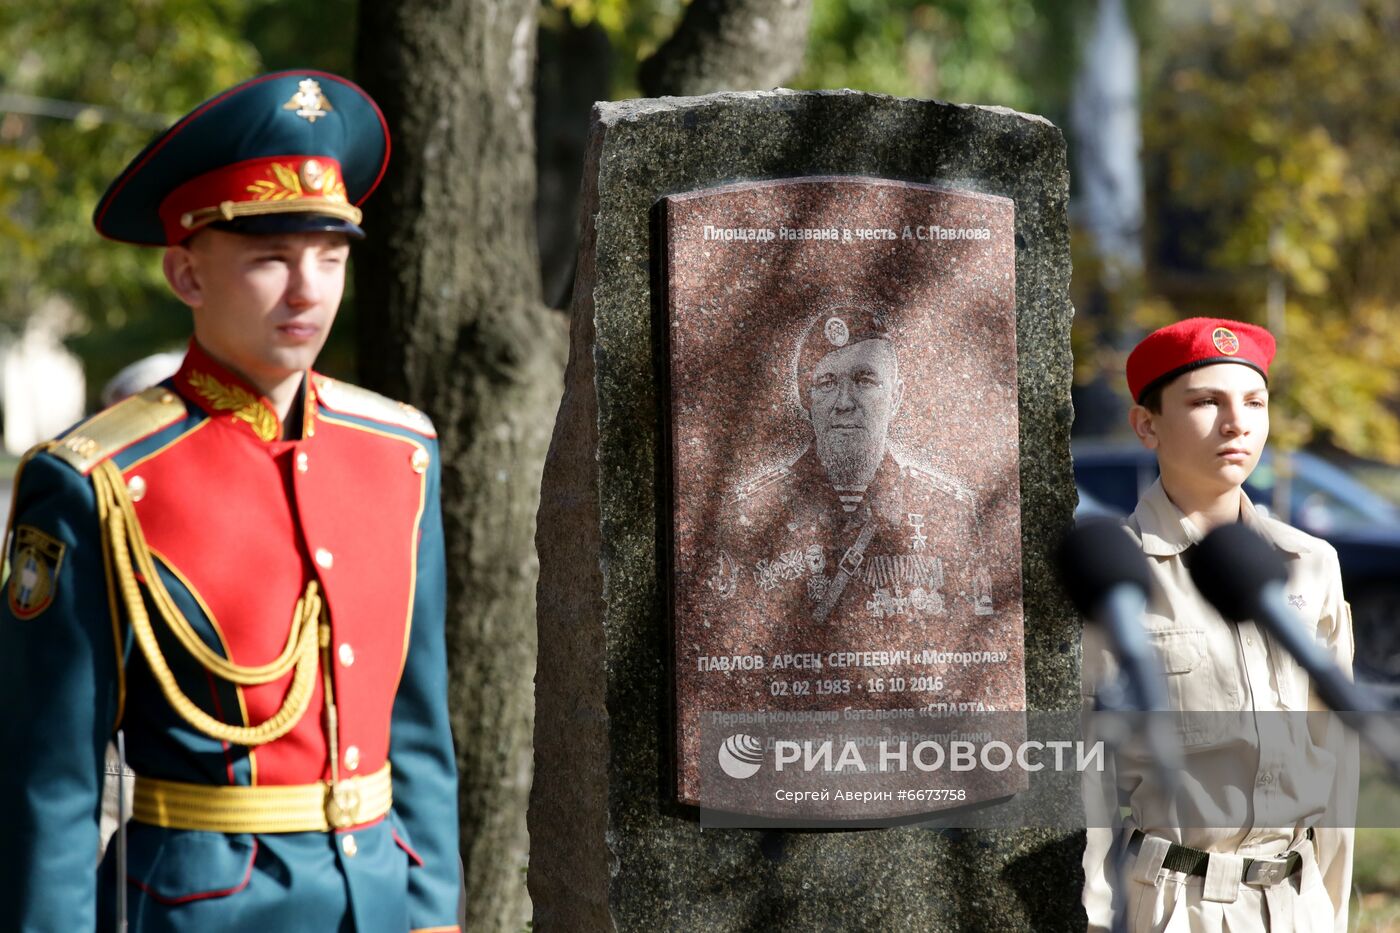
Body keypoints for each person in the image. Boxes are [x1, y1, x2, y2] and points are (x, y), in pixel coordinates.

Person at [0, 70, 461, 932]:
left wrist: (436, 915)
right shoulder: (94, 480)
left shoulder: (399, 452)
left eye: (330, 258)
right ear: (186, 274)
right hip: (201, 909)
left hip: (383, 906)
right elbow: (49, 781)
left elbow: (420, 735)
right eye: (269, 259)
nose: (307, 291)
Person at [1081, 317, 1356, 932]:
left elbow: (1337, 760)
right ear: (1147, 425)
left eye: (1254, 402)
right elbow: (1088, 775)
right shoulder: (1116, 573)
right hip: (1173, 905)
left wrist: (1331, 911)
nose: (1238, 423)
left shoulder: (1310, 565)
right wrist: (1098, 920)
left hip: (1296, 903)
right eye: (1206, 401)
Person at [705, 307, 993, 626]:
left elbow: (977, 638)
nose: (844, 402)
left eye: (864, 381)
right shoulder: (751, 511)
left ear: (896, 396)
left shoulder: (950, 512)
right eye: (827, 383)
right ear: (807, 396)